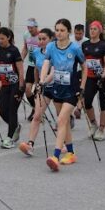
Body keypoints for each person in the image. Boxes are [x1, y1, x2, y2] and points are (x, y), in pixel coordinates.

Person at [39, 18, 87, 171]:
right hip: (57, 89)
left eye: (62, 30)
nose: (59, 33)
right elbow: (46, 64)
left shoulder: (74, 49)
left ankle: (55, 155)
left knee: (60, 121)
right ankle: (71, 153)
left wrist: (82, 87)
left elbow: (85, 67)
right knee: (64, 122)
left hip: (71, 90)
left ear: (68, 32)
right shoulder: (51, 47)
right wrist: (42, 81)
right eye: (57, 30)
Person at [19, 28, 54, 156]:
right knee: (37, 116)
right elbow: (35, 69)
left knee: (62, 118)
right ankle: (30, 145)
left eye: (44, 39)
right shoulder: (36, 53)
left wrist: (43, 81)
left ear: (51, 39)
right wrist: (36, 83)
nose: (41, 41)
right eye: (39, 39)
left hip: (57, 86)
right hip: (42, 87)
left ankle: (66, 144)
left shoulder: (55, 52)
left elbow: (53, 71)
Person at [81, 20, 105, 141]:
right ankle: (93, 124)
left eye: (95, 29)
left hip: (102, 78)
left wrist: (102, 76)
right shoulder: (85, 45)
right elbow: (83, 62)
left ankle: (101, 129)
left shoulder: (104, 45)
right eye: (91, 29)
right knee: (87, 102)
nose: (92, 31)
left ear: (99, 31)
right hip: (89, 77)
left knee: (102, 102)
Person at [21, 18, 41, 122]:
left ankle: (38, 112)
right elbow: (25, 48)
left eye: (31, 28)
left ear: (36, 27)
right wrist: (20, 60)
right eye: (28, 28)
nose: (30, 30)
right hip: (31, 65)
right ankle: (35, 108)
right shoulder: (26, 35)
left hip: (41, 67)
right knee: (27, 90)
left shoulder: (41, 36)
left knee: (39, 92)